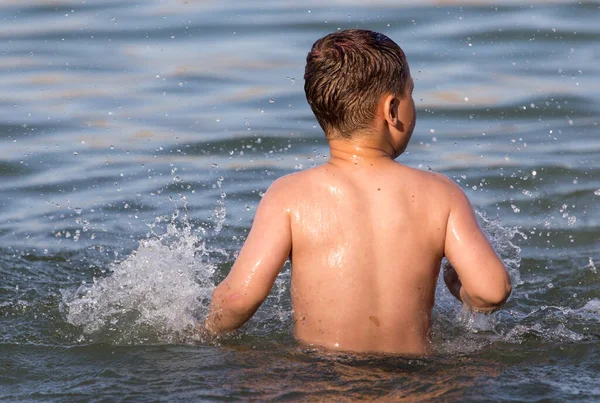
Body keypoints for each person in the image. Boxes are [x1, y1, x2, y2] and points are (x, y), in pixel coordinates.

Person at [199, 29, 511, 355]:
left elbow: (237, 300)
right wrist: (462, 292)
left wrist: (202, 333)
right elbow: (491, 291)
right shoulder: (440, 194)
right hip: (416, 382)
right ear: (391, 109)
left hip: (323, 378)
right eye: (411, 94)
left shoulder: (288, 196)